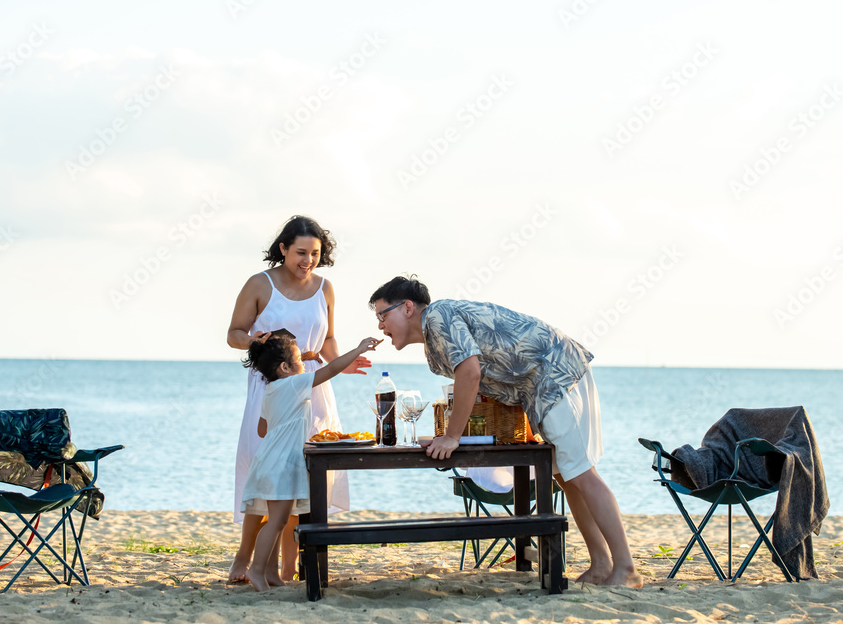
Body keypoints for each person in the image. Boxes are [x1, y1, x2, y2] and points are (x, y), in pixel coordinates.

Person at [368, 275, 643, 588]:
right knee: (566, 477)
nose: (380, 326)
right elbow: (478, 381)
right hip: (537, 387)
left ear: (407, 308)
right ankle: (601, 563)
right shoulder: (434, 342)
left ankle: (627, 568)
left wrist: (453, 437)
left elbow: (470, 373)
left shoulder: (437, 316)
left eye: (382, 315)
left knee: (581, 474)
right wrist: (455, 433)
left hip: (554, 374)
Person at [227, 216, 370, 583]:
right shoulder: (260, 283)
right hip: (271, 385)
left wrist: (345, 362)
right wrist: (255, 341)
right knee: (264, 474)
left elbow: (328, 340)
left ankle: (288, 569)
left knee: (301, 478)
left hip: (314, 389)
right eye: (301, 252)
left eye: (316, 254)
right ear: (283, 249)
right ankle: (244, 560)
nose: (308, 260)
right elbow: (233, 334)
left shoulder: (325, 288)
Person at [239, 333, 381, 592]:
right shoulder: (294, 384)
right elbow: (332, 368)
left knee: (273, 519)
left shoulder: (271, 390)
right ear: (285, 368)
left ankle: (270, 571)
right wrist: (359, 348)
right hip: (282, 464)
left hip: (268, 460)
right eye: (299, 360)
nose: (304, 363)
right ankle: (256, 570)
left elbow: (262, 430)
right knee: (277, 522)